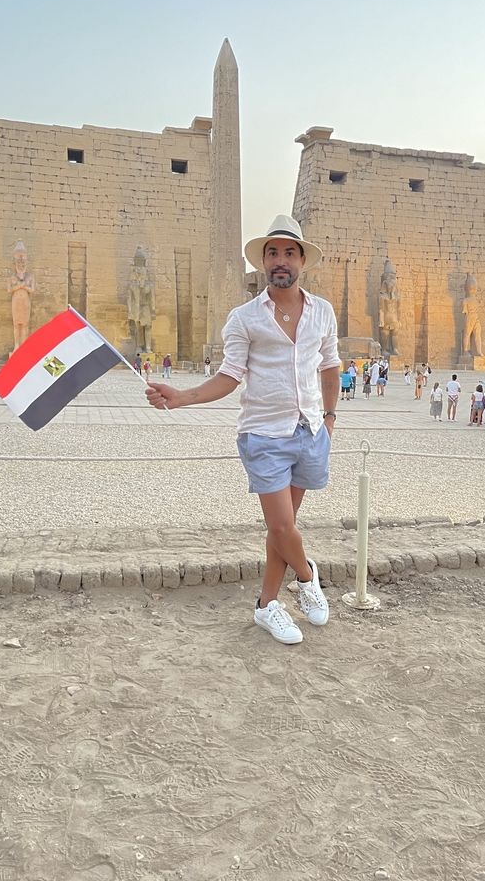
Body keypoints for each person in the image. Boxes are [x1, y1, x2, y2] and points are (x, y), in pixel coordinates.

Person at [145, 214, 338, 645]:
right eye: (273, 253)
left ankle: (267, 606)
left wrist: (329, 419)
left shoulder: (322, 312)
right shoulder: (244, 317)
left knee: (281, 529)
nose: (280, 260)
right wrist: (182, 396)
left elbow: (330, 367)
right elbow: (229, 376)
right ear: (263, 262)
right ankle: (308, 578)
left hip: (310, 430)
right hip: (264, 434)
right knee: (283, 528)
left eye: (289, 253)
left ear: (302, 261)